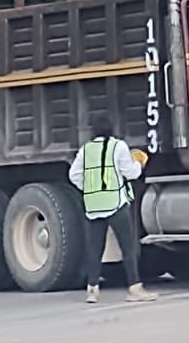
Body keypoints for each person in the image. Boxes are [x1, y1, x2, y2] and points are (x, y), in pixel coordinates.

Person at [67, 115, 158, 304]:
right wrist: (139, 164)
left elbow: (74, 175)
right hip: (115, 203)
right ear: (111, 129)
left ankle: (92, 290)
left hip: (93, 204)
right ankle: (135, 288)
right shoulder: (119, 147)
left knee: (95, 248)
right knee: (127, 246)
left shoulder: (86, 149)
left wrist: (90, 188)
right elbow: (130, 173)